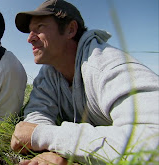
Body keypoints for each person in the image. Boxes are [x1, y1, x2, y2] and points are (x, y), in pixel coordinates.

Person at [10, 0, 159, 164]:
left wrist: (44, 136)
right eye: (30, 31)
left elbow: (153, 141)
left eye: (39, 28)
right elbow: (37, 113)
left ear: (70, 30)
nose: (29, 39)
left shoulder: (106, 66)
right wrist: (52, 152)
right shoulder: (49, 73)